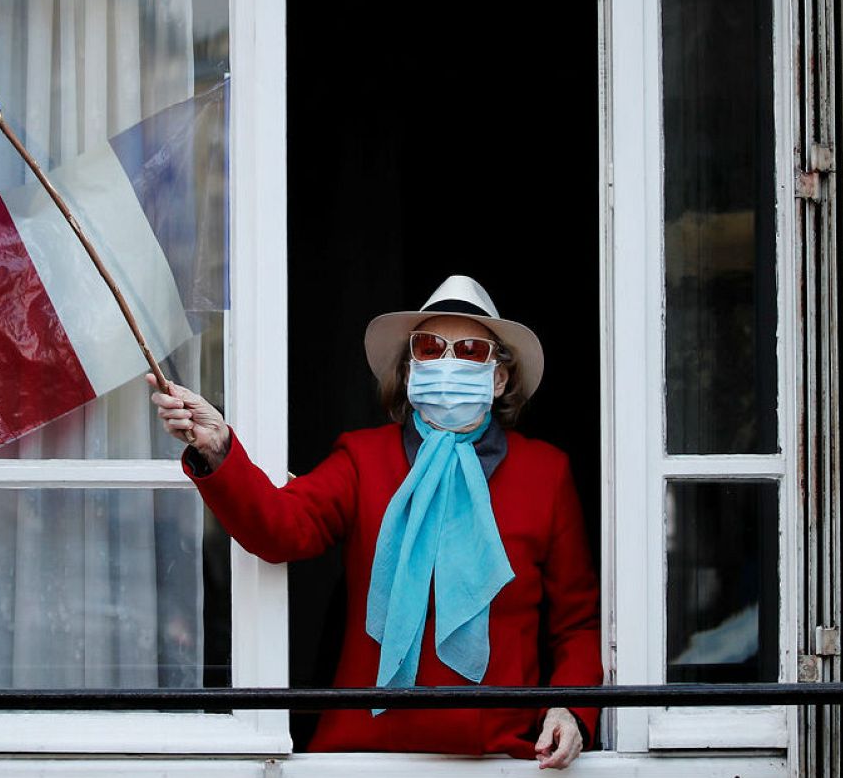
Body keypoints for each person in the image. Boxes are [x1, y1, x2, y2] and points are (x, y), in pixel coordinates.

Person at [149, 275, 602, 768]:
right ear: (409, 373)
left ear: (498, 379)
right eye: (430, 348)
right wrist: (218, 448)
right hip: (367, 752)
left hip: (501, 756)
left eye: (471, 350)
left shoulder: (546, 473)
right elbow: (279, 528)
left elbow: (576, 624)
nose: (448, 363)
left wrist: (571, 709)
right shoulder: (363, 459)